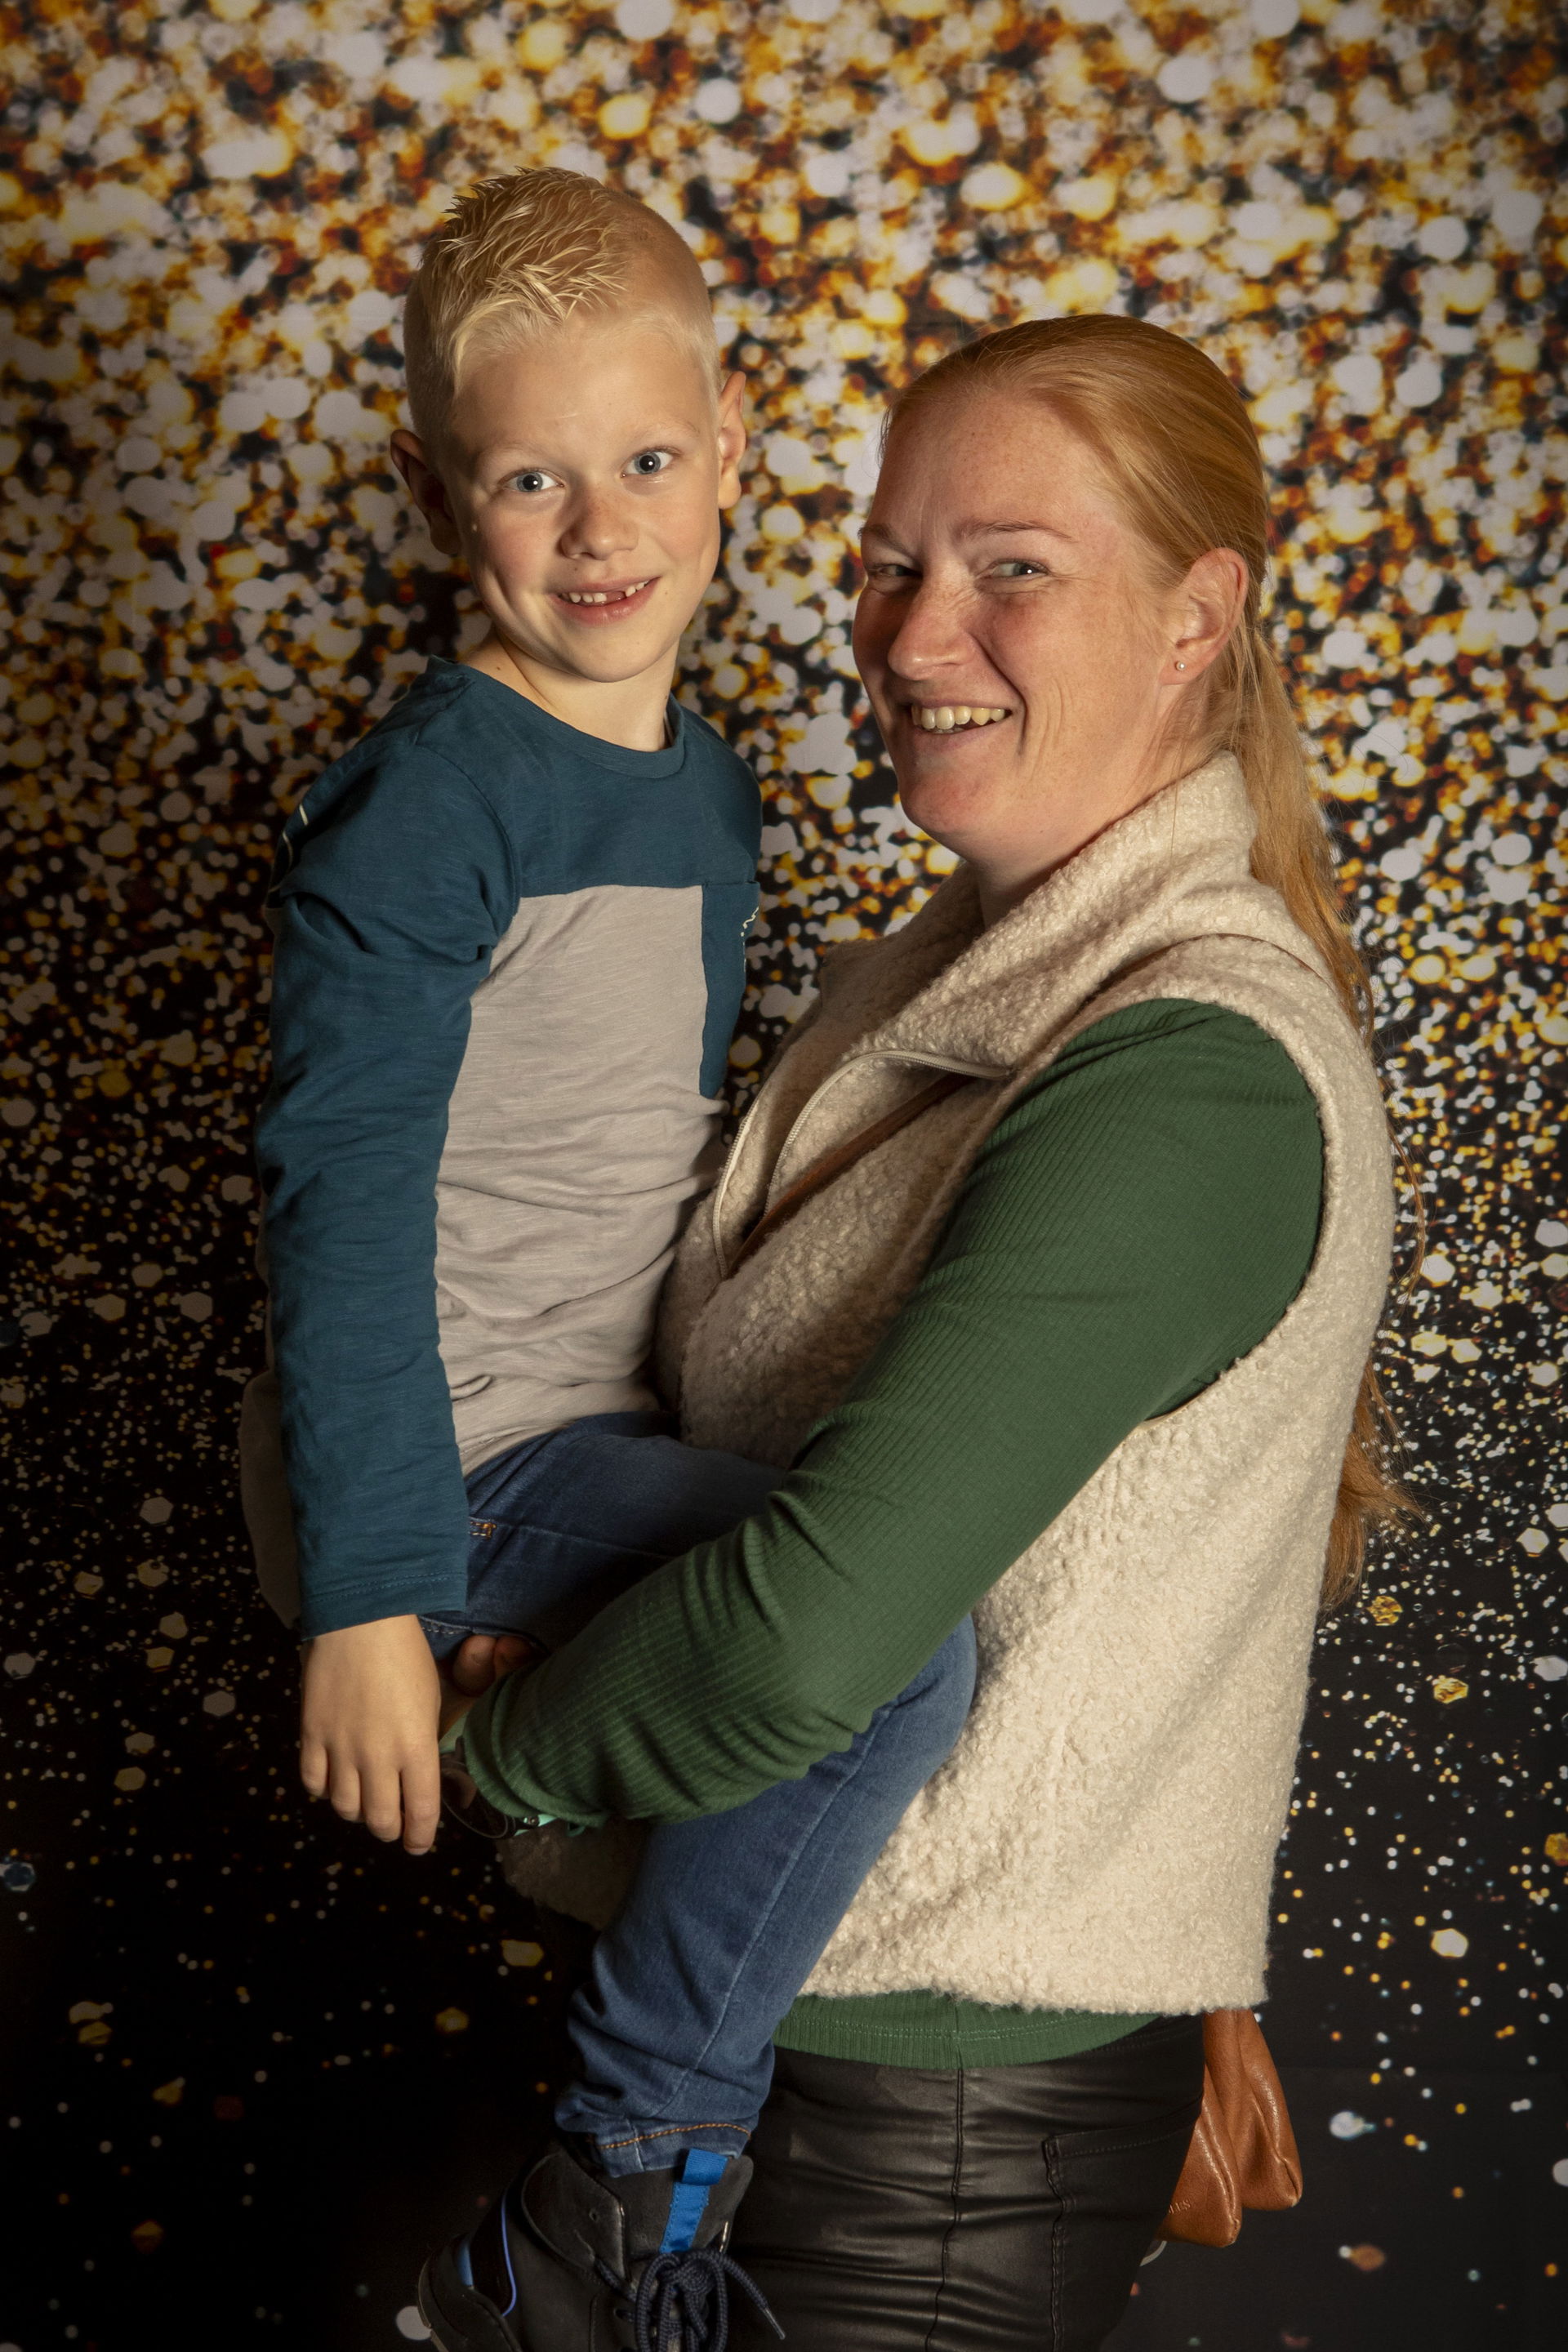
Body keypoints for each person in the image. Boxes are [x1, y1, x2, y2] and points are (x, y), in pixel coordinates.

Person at [427, 314, 1399, 2351]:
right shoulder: (941, 979)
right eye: (887, 563)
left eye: (1011, 567)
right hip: (792, 2046)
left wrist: (473, 1747)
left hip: (929, 2124)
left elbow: (804, 1635)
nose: (912, 629)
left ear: (1196, 616)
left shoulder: (1186, 1071)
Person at [239, 168, 975, 2347]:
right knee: (889, 1661)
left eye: (648, 458)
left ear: (734, 447)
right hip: (436, 1457)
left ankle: (551, 1740)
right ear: (436, 492)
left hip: (577, 1437)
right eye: (533, 478)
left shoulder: (714, 796)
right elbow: (343, 1193)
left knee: (866, 1600)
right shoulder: (429, 804)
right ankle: (624, 2186)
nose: (602, 527)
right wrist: (376, 1593)